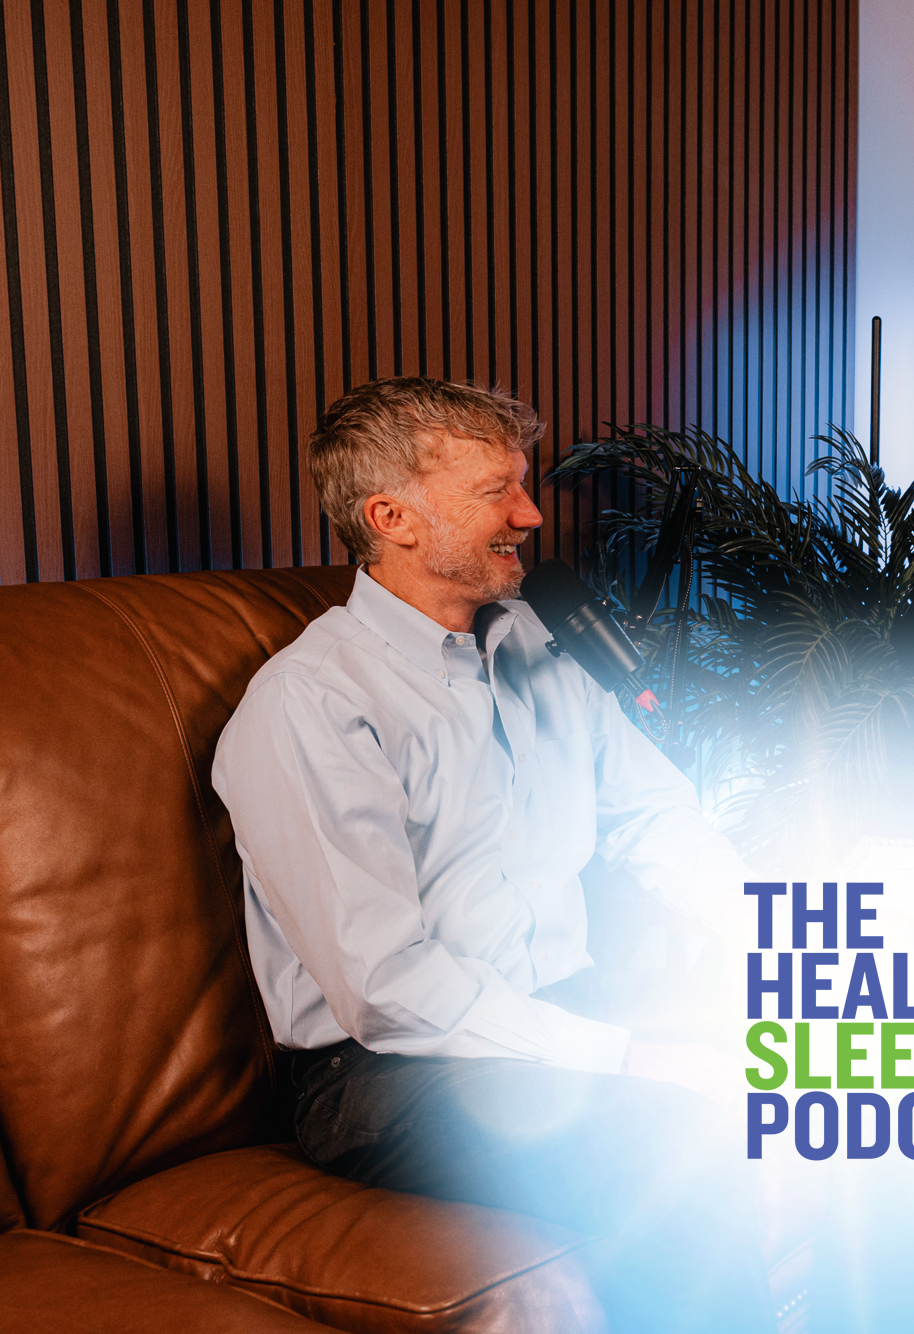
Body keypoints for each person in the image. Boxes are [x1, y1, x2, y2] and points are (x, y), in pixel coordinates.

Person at [212, 377, 769, 1333]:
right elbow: (386, 988)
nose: (530, 513)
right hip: (391, 1072)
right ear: (391, 519)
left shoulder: (536, 643)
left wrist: (800, 942)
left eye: (522, 483)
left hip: (560, 1008)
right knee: (673, 1139)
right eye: (494, 492)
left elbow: (651, 816)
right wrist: (630, 1058)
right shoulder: (311, 704)